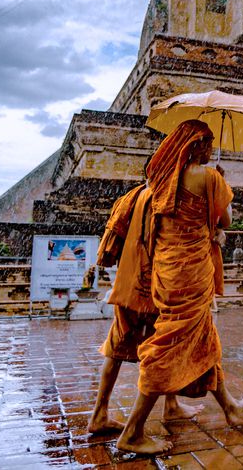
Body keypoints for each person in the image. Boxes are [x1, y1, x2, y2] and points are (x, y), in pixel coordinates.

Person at [117, 120, 243, 454]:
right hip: (191, 274)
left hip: (166, 271)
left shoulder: (162, 180)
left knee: (201, 337)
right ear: (195, 146)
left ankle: (230, 407)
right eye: (206, 143)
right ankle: (133, 431)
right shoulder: (207, 178)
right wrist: (220, 183)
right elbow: (226, 221)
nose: (210, 149)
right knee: (167, 346)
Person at [88, 167, 202, 434]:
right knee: (165, 347)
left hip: (126, 283)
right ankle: (141, 424)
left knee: (115, 350)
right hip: (149, 286)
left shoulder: (133, 196)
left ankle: (100, 413)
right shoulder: (161, 198)